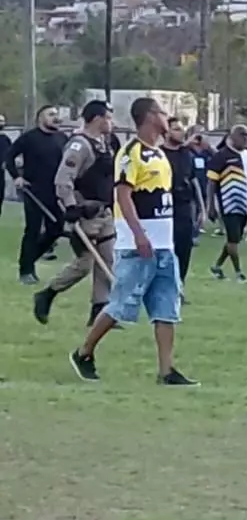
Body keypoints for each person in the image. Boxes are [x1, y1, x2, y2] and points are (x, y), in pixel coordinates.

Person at [68, 97, 195, 386]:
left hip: (164, 245)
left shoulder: (160, 154)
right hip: (139, 244)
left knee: (166, 307)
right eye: (163, 113)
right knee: (121, 304)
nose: (168, 119)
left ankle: (166, 370)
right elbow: (123, 195)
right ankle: (84, 352)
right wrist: (139, 234)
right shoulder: (130, 153)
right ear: (150, 116)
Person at [33, 100, 117, 327]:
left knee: (107, 261)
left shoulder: (104, 144)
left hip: (104, 212)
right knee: (84, 264)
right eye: (108, 117)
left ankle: (99, 311)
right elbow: (63, 179)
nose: (111, 122)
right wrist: (71, 207)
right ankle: (47, 294)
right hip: (85, 213)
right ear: (97, 118)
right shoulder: (79, 145)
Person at [8, 106, 69, 285]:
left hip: (55, 192)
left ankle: (28, 260)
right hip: (34, 191)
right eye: (51, 115)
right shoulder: (29, 138)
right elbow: (9, 157)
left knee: (56, 229)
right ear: (40, 118)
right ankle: (26, 271)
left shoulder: (62, 138)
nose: (55, 118)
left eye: (56, 115)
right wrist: (17, 177)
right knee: (33, 230)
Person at [206, 125, 247, 283]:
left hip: (243, 206)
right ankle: (239, 273)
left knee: (235, 239)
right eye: (242, 135)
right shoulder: (221, 156)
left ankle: (217, 266)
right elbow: (211, 183)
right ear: (232, 137)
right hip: (227, 205)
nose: (245, 138)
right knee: (233, 239)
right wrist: (210, 206)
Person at [160, 121, 202, 285]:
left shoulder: (187, 154)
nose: (181, 132)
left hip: (185, 206)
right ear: (167, 132)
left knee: (184, 247)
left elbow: (193, 181)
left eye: (182, 129)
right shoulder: (159, 154)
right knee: (166, 248)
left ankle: (180, 284)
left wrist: (202, 208)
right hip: (165, 205)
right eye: (176, 129)